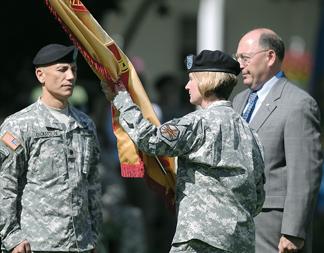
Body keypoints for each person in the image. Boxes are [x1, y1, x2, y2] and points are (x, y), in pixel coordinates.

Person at [102, 50, 265, 252]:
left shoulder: (197, 123)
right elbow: (258, 197)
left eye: (191, 79)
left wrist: (122, 100)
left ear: (206, 81)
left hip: (200, 240)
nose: (187, 86)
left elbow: (150, 140)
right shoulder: (251, 133)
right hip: (240, 242)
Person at [0, 43, 102, 253]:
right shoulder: (20, 125)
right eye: (62, 70)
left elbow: (92, 183)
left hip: (81, 244)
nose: (70, 77)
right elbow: (5, 184)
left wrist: (94, 233)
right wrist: (11, 237)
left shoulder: (85, 125)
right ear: (41, 75)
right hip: (36, 244)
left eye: (73, 70)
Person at [232, 28, 323, 253]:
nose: (239, 65)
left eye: (245, 58)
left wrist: (293, 231)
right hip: (235, 223)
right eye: (237, 58)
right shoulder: (238, 101)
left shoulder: (298, 103)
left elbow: (304, 173)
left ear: (270, 57)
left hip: (273, 228)